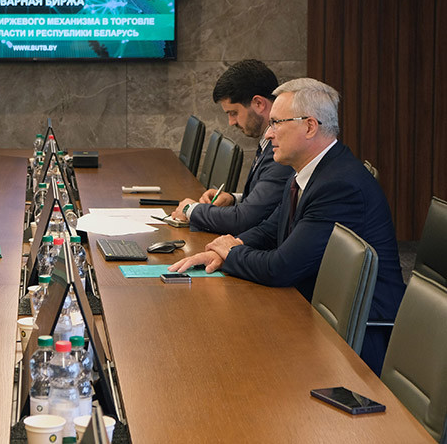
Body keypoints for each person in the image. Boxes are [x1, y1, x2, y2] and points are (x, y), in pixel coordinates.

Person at [169, 78, 405, 374]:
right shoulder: (306, 171)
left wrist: (231, 253)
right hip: (313, 308)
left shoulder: (339, 185)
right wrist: (227, 247)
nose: (268, 134)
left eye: (276, 123)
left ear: (310, 126)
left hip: (357, 342)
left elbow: (281, 267)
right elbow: (271, 228)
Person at [171, 59, 294, 235]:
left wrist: (190, 210)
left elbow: (244, 220)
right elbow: (267, 203)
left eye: (234, 113)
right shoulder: (267, 142)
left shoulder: (282, 151)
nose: (231, 122)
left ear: (259, 104)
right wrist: (233, 199)